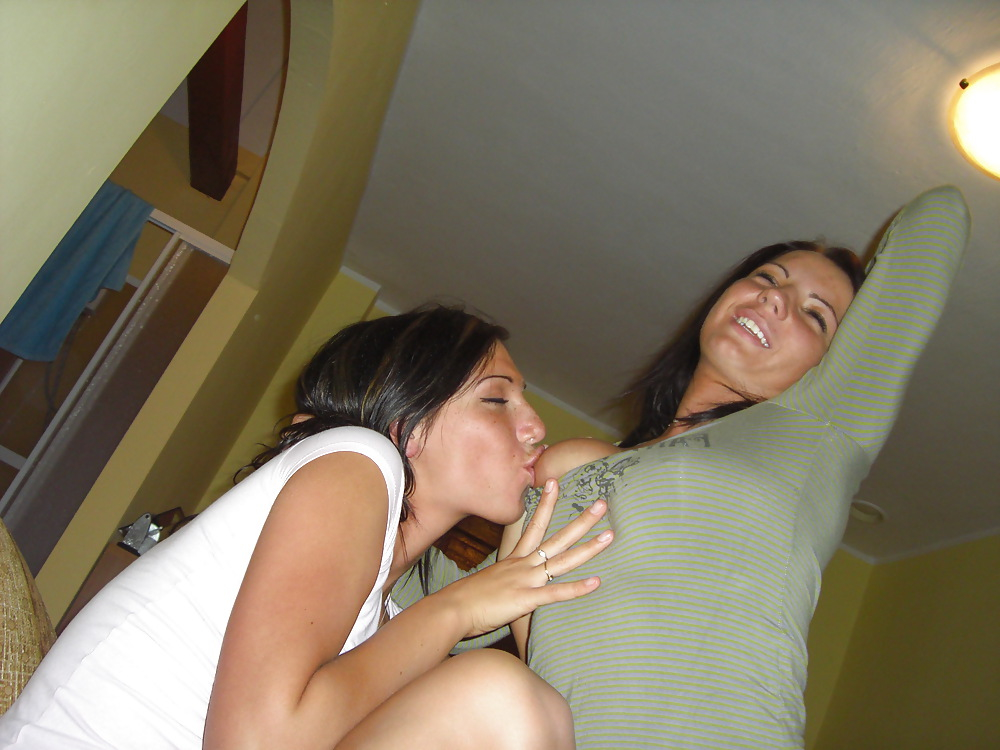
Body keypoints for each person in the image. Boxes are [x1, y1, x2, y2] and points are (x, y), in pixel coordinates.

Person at [394, 185, 971, 748]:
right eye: (767, 278)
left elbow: (939, 217)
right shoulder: (573, 466)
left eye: (815, 316)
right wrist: (385, 467)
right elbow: (448, 610)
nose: (775, 299)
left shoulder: (819, 431)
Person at [0, 305, 614, 750]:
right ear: (404, 421)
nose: (536, 426)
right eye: (497, 399)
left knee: (523, 707)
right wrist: (457, 609)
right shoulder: (357, 458)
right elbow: (258, 743)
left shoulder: (388, 626)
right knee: (498, 699)